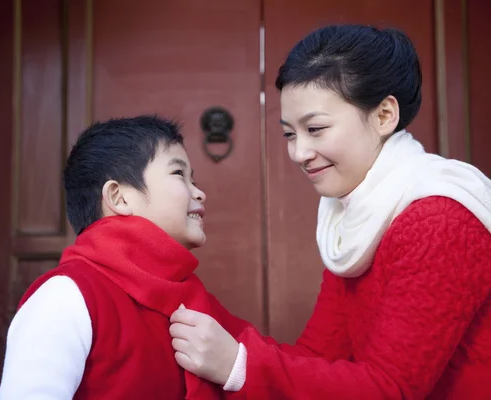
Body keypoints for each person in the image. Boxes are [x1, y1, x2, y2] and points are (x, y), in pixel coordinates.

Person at [169, 24, 491, 399]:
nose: (299, 153)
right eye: (290, 134)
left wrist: (238, 365)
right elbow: (317, 356)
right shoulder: (358, 216)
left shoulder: (439, 218)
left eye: (316, 129)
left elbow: (391, 389)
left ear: (385, 115)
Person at [0, 115, 251, 399]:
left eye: (194, 179)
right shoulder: (66, 296)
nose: (199, 193)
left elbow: (282, 371)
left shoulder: (197, 304)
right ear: (119, 198)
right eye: (179, 174)